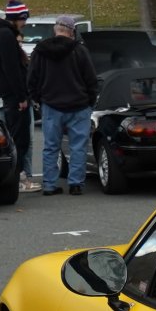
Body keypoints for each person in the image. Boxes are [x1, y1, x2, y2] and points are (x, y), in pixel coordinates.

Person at [28, 15, 99, 196]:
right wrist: (91, 100)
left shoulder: (40, 51)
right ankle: (76, 183)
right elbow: (90, 78)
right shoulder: (80, 51)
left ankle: (49, 184)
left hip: (51, 105)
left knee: (51, 146)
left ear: (55, 29)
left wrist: (38, 98)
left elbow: (32, 78)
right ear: (72, 31)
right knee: (78, 147)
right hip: (79, 105)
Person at [0, 0, 37, 192]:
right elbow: (12, 70)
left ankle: (16, 177)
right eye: (23, 19)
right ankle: (16, 178)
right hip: (13, 97)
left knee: (14, 138)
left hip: (7, 94)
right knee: (20, 140)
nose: (25, 23)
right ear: (17, 18)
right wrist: (22, 97)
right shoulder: (6, 36)